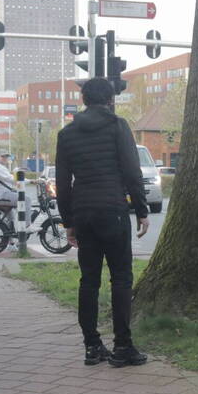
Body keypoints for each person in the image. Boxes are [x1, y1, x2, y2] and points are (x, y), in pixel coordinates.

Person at [55, 78, 149, 367]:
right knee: (121, 278)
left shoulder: (67, 133)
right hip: (113, 209)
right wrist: (141, 209)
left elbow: (62, 182)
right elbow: (132, 170)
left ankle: (92, 346)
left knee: (89, 281)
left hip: (84, 213)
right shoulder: (118, 127)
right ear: (111, 100)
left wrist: (69, 220)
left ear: (83, 99)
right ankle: (123, 346)